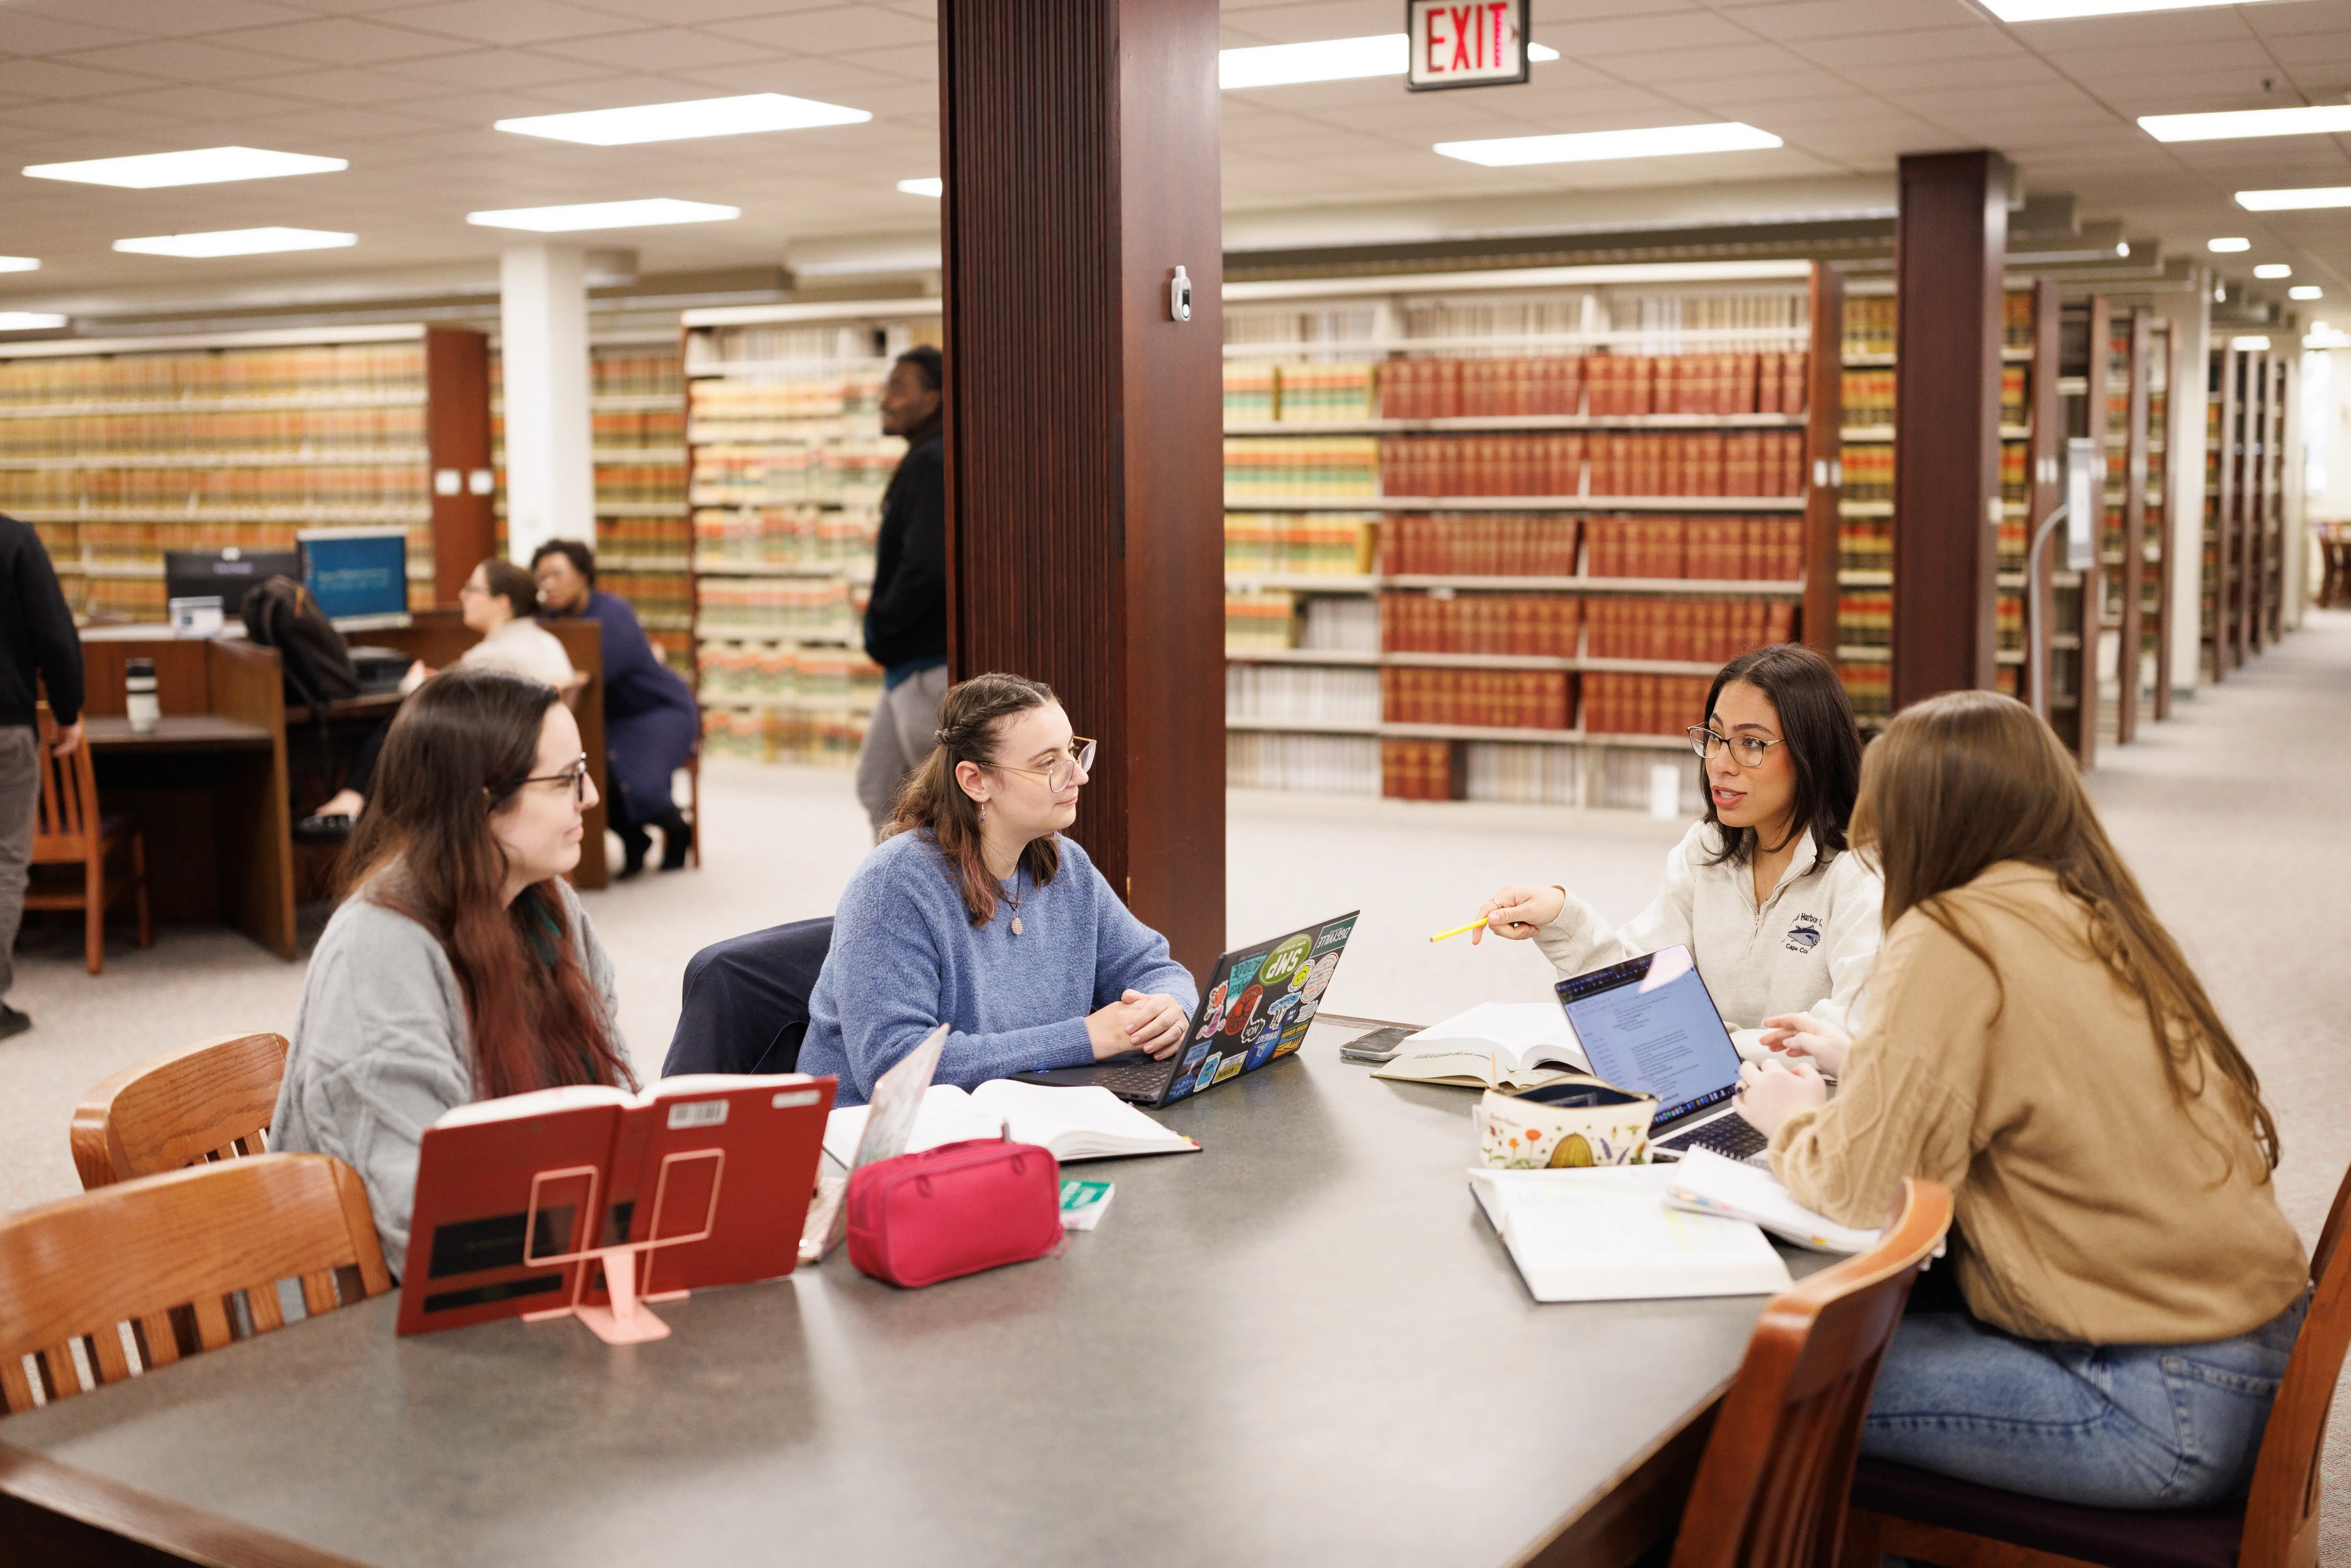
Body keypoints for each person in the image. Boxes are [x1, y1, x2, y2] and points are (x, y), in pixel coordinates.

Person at [1735, 690, 2309, 1511]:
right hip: (2242, 1356)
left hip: (2145, 1400)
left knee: (1759, 1382)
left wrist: (1792, 1117)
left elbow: (1856, 1190)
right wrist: (1870, 1061)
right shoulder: (2092, 911)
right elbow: (2046, 1081)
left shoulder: (1953, 934)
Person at [271, 668, 633, 1267]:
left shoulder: (547, 904)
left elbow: (613, 1106)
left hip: (536, 1264)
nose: (591, 795)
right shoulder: (379, 951)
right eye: (567, 779)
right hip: (389, 1312)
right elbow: (419, 1216)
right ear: (483, 801)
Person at [801, 672, 1195, 1105]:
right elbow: (897, 1067)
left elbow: (1159, 970)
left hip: (1010, 1122)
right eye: (1049, 764)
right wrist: (1084, 1038)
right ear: (975, 781)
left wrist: (1171, 1010)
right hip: (876, 1146)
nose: (1078, 778)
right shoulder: (892, 887)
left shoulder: (1068, 868)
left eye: (1073, 752)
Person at [1471, 644, 1881, 1052]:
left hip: (1811, 1110)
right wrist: (1560, 916)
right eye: (1715, 736)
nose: (1720, 762)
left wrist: (1707, 1041)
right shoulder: (1707, 849)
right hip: (1713, 1093)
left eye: (1752, 744)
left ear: (1814, 752)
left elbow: (1845, 1035)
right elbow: (1639, 992)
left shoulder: (1862, 872)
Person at [297, 559, 576, 842]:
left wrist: (415, 684)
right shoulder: (549, 644)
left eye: (472, 589)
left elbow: (433, 701)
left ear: (502, 603)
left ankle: (354, 803)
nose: (462, 596)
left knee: (402, 726)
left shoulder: (491, 658)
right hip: (534, 762)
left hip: (497, 765)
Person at [532, 538, 700, 879]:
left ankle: (678, 829)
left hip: (657, 711)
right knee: (581, 769)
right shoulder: (548, 620)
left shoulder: (613, 614)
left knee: (635, 782)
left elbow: (595, 671)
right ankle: (634, 838)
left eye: (556, 574)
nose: (547, 584)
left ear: (583, 575)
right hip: (607, 717)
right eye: (540, 577)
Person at [853, 345, 949, 835]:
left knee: (934, 805)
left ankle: (944, 906)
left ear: (932, 399)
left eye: (898, 387)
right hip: (906, 665)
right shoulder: (923, 459)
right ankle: (894, 902)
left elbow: (927, 566)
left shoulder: (932, 463)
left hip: (925, 664)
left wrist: (882, 624)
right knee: (880, 787)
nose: (884, 398)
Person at [0, 513, 84, 1041]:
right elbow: (53, 634)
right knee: (6, 860)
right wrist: (67, 709)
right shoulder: (15, 541)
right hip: (6, 725)